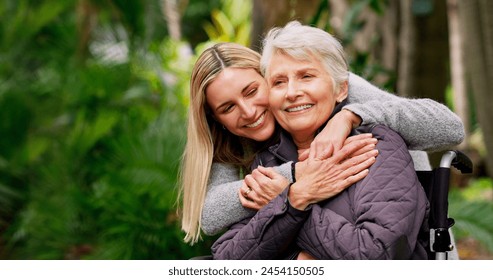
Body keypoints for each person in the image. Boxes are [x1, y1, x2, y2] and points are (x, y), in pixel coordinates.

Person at [180, 40, 464, 246]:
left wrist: (350, 116)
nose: (249, 111)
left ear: (268, 76)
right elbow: (210, 215)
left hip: (409, 232)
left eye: (253, 91)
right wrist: (296, 176)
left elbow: (449, 128)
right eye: (228, 108)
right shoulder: (232, 139)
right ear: (215, 118)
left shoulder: (327, 85)